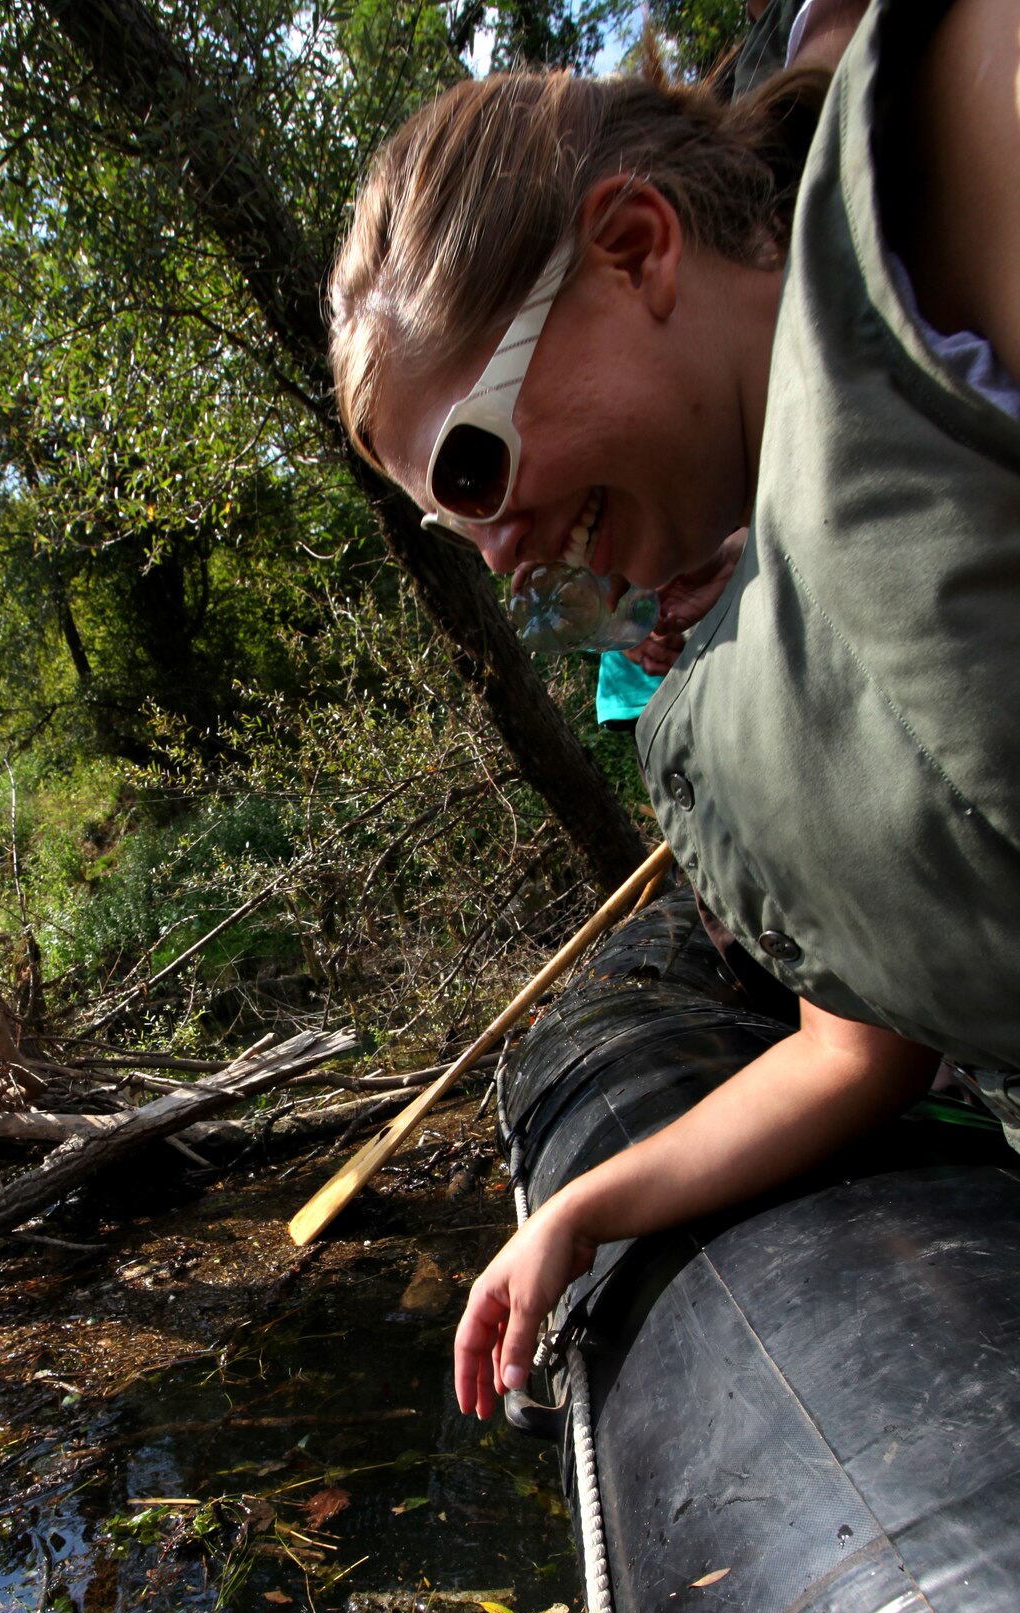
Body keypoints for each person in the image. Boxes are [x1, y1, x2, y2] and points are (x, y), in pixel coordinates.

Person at [328, 0, 1020, 1420]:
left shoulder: (959, 145)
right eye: (457, 535)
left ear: (636, 250)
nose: (503, 549)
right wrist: (584, 1208)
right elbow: (849, 1050)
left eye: (471, 471)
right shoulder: (744, 649)